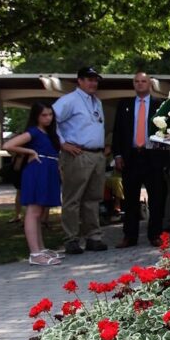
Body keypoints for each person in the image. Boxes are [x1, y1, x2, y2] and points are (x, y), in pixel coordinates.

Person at [52, 66, 109, 254]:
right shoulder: (69, 101)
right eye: (89, 79)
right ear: (80, 81)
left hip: (97, 155)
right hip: (77, 153)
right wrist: (62, 143)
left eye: (95, 80)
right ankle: (71, 238)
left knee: (93, 198)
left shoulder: (97, 102)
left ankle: (93, 236)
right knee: (73, 198)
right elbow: (51, 121)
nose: (93, 83)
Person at [1, 102, 64, 266]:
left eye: (50, 115)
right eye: (44, 115)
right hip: (37, 171)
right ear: (36, 116)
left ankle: (41, 249)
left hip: (48, 170)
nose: (48, 118)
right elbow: (8, 145)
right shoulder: (33, 132)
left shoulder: (49, 133)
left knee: (40, 211)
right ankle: (34, 253)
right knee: (33, 210)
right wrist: (30, 151)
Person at [112, 71, 169, 247]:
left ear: (150, 84)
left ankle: (155, 235)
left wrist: (166, 158)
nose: (140, 84)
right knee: (129, 199)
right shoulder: (124, 105)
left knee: (157, 198)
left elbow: (166, 133)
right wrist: (118, 155)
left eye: (143, 81)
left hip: (153, 156)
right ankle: (130, 235)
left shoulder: (160, 105)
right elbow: (118, 131)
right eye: (136, 81)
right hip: (131, 157)